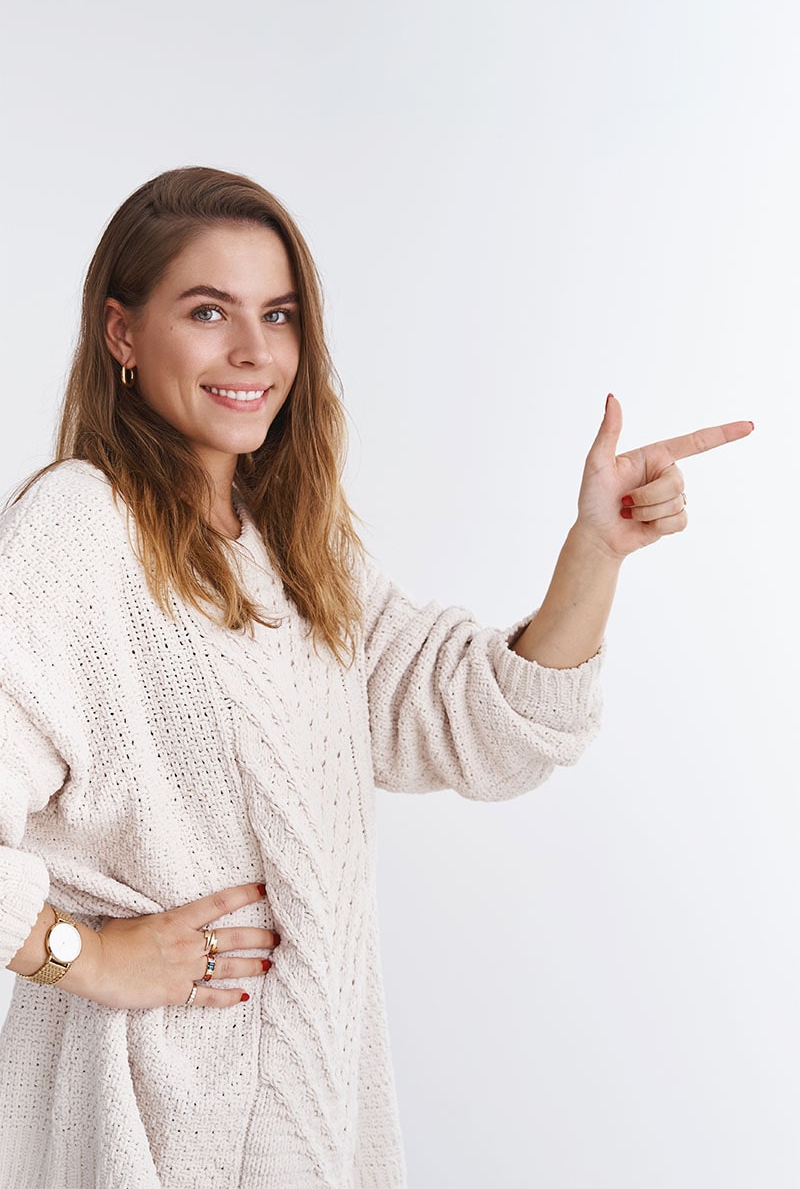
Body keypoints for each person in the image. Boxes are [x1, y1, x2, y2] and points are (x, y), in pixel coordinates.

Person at [0, 166, 752, 1189]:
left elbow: (482, 726)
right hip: (145, 1128)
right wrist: (87, 957)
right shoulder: (78, 528)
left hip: (311, 1126)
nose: (252, 351)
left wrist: (594, 550)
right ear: (122, 335)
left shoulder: (293, 553)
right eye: (207, 310)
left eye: (278, 314)